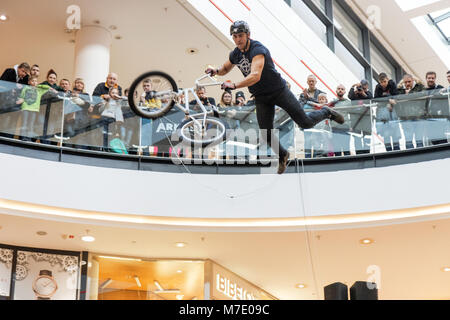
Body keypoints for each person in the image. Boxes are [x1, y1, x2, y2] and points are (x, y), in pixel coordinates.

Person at [205, 20, 344, 174]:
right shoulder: (235, 54)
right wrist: (215, 71)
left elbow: (255, 75)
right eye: (235, 36)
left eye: (241, 35)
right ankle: (283, 154)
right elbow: (225, 68)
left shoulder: (258, 49)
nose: (238, 39)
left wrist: (234, 85)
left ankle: (327, 112)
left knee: (304, 122)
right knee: (266, 133)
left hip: (279, 91)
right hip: (261, 97)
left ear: (248, 35)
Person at [374, 73, 401, 152]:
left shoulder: (392, 84)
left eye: (384, 82)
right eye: (381, 82)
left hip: (393, 113)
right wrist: (388, 100)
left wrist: (389, 101)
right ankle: (388, 151)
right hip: (383, 115)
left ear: (387, 80)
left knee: (395, 133)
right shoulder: (378, 87)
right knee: (386, 135)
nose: (383, 84)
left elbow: (396, 96)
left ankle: (397, 151)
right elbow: (376, 99)